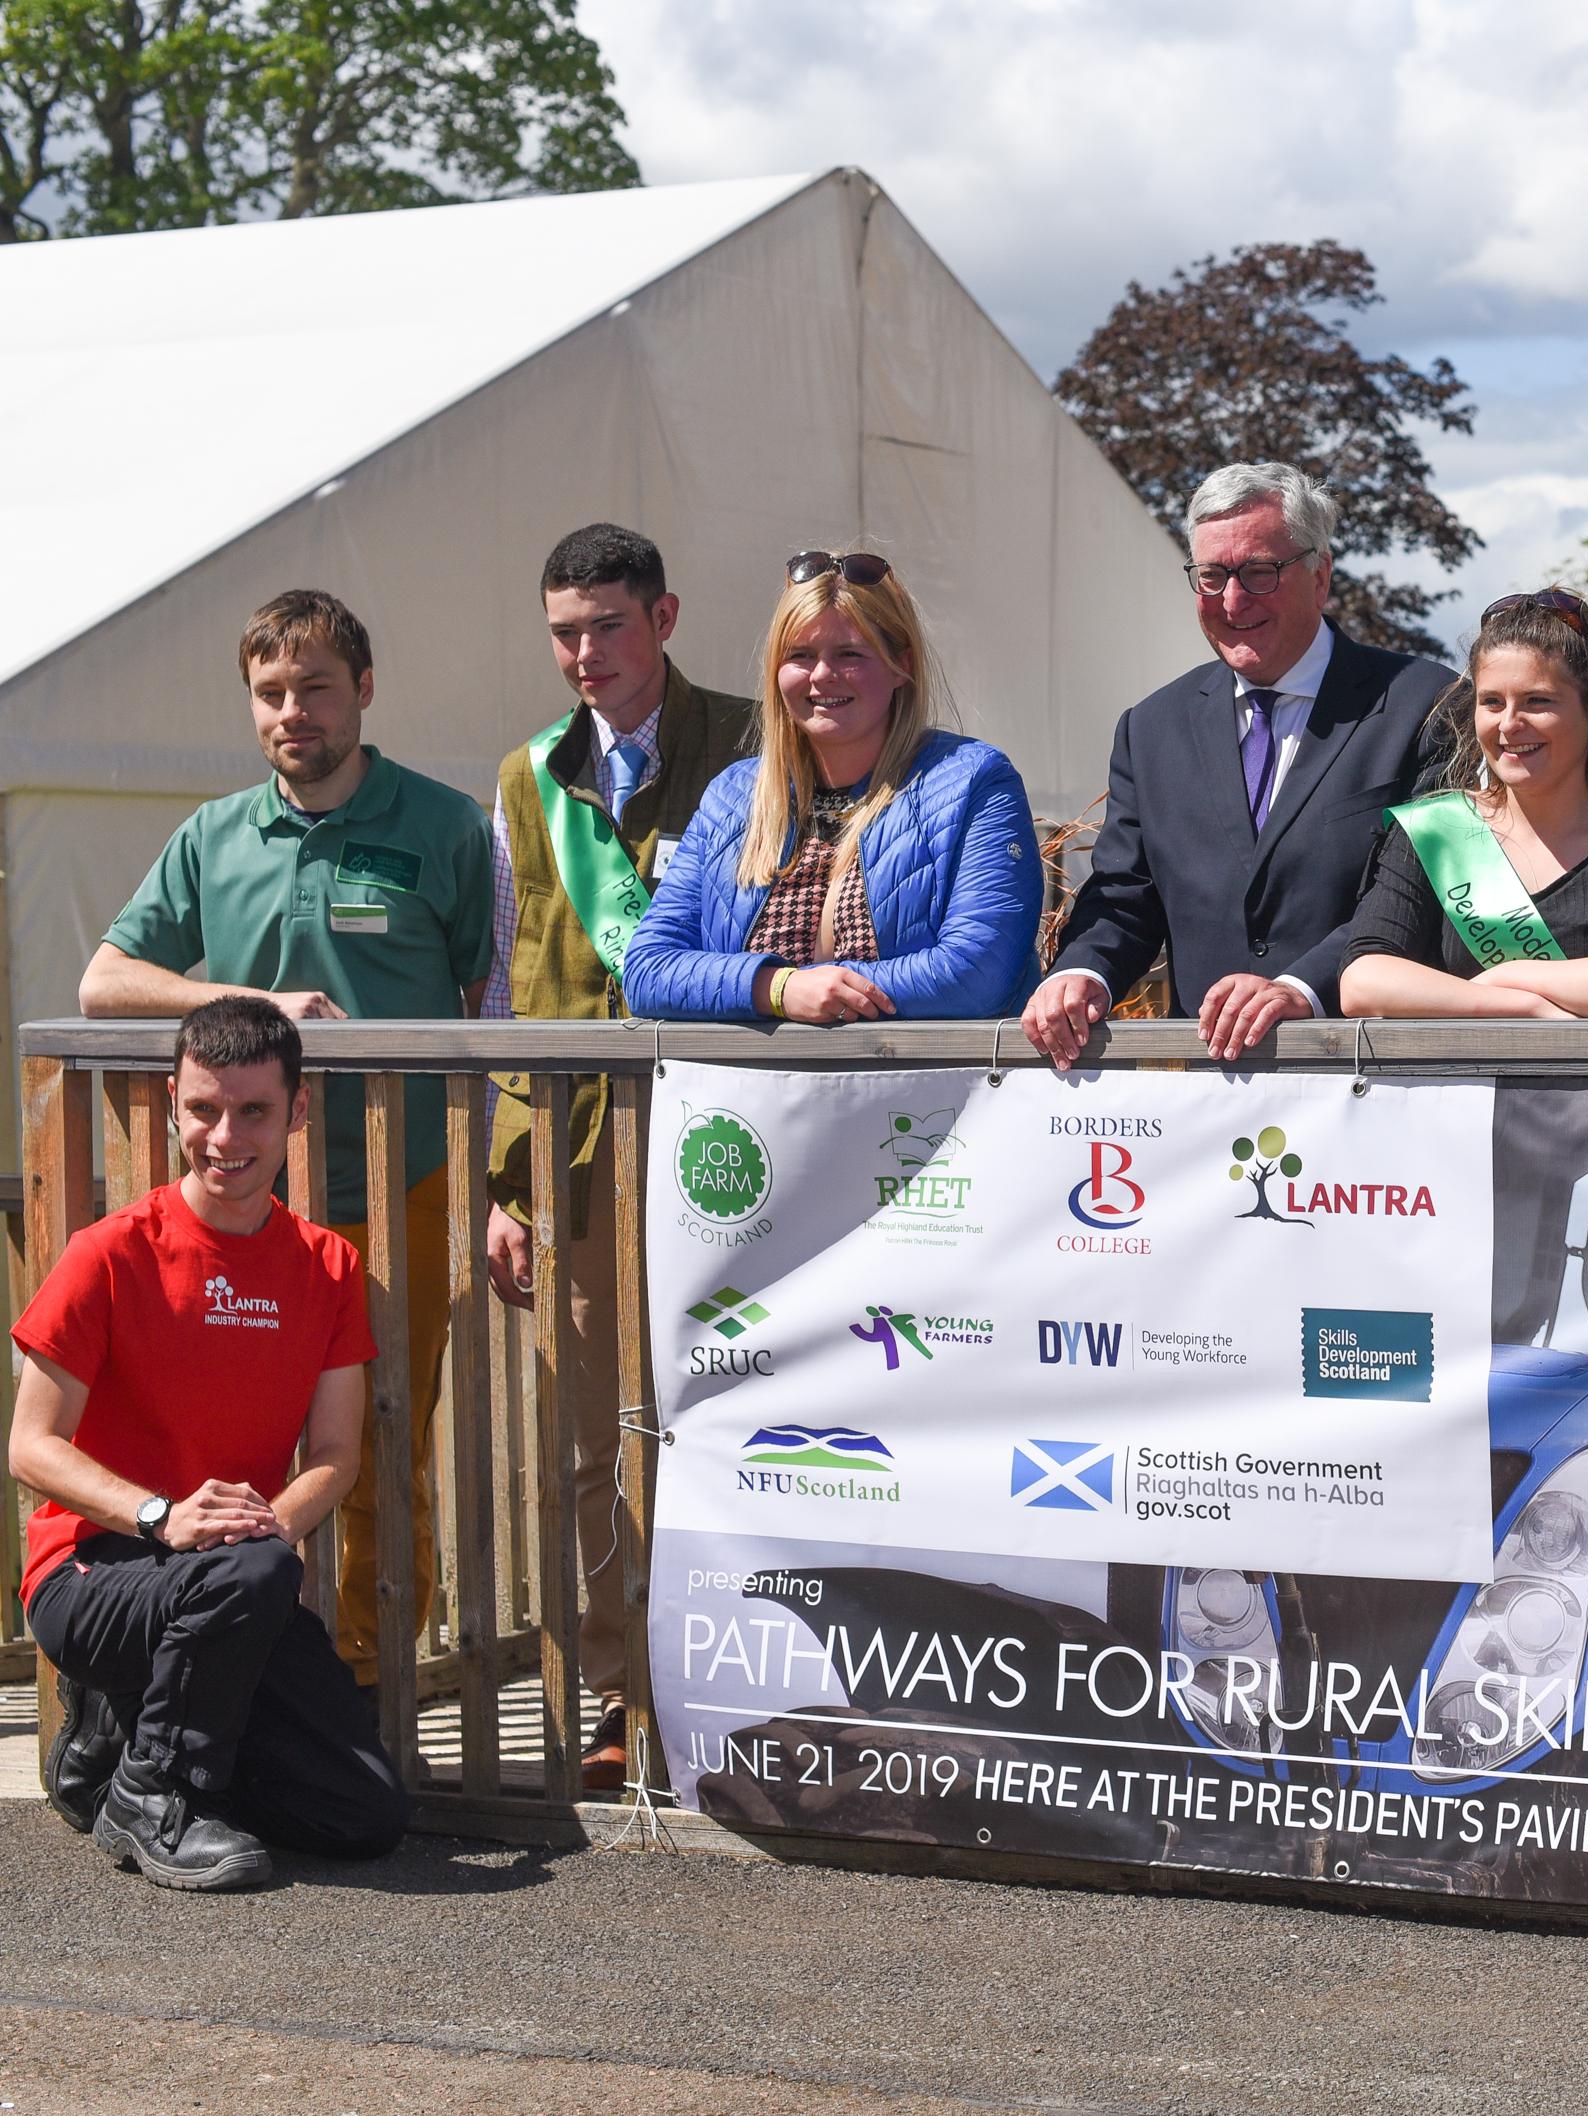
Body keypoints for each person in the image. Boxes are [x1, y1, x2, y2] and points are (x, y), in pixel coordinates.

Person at [80, 589, 490, 1689]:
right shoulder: (211, 834)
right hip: (245, 1199)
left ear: (364, 688)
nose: (291, 712)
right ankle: (234, 1654)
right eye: (270, 693)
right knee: (226, 1435)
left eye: (314, 687)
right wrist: (252, 1001)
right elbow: (103, 980)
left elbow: (492, 1004)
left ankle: (364, 1677)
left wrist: (496, 1182)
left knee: (381, 1442)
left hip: (401, 1184)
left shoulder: (446, 824)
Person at [12, 998, 407, 1890]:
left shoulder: (328, 1266)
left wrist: (266, 1523)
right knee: (255, 1576)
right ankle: (149, 1803)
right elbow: (30, 1448)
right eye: (203, 1110)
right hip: (96, 1572)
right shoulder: (107, 1252)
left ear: (297, 1113)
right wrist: (162, 1518)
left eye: (254, 1111)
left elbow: (336, 1456)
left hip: (236, 1573)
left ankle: (123, 1743)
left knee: (364, 1816)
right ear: (174, 1103)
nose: (225, 1136)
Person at [482, 524, 756, 1789]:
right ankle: (611, 1697)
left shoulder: (758, 737)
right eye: (563, 631)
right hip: (583, 1146)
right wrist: (505, 1177)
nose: (583, 654)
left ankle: (740, 1680)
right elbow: (520, 972)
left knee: (751, 1419)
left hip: (741, 1142)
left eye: (605, 625)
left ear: (664, 617)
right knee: (595, 1436)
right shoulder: (527, 775)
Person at [1022, 463, 1455, 1065]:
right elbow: (1124, 897)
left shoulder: (1426, 705)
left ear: (1320, 576)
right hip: (1212, 1098)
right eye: (1211, 576)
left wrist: (1301, 988)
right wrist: (1081, 975)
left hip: (1373, 1076)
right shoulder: (1152, 729)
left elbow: (1422, 895)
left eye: (1259, 572)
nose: (1232, 600)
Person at [622, 551, 1040, 1021]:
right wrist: (778, 988)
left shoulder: (973, 781)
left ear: (901, 664)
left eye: (850, 654)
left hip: (927, 1093)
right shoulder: (731, 797)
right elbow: (647, 971)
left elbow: (979, 974)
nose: (822, 675)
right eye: (800, 655)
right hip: (751, 1095)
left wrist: (828, 991)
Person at [1339, 589, 1588, 1018]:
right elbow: (1363, 981)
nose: (1509, 724)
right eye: (1491, 702)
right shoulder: (1434, 831)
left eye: (1537, 701)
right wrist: (1525, 1008)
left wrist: (1508, 975)